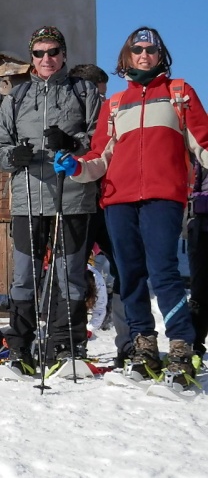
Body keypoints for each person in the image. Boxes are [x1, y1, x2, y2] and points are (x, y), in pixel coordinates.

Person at [56, 27, 208, 386]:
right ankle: (142, 344)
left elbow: (202, 143)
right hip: (118, 200)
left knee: (164, 272)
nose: (144, 55)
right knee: (130, 275)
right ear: (125, 57)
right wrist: (77, 166)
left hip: (163, 197)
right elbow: (100, 158)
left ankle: (182, 344)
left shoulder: (179, 94)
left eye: (151, 50)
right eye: (136, 50)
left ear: (160, 57)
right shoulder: (114, 104)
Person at [0, 26, 102, 374]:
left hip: (72, 198)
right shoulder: (17, 96)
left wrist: (72, 143)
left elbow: (100, 137)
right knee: (24, 277)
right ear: (32, 59)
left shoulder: (83, 91)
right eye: (39, 54)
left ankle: (66, 347)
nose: (46, 59)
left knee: (69, 275)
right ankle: (20, 349)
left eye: (53, 52)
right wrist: (14, 157)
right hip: (28, 198)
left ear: (64, 55)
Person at [70, 63, 128, 365]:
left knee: (124, 271)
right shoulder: (71, 113)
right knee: (73, 273)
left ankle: (128, 343)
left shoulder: (110, 116)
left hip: (109, 203)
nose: (102, 100)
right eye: (98, 93)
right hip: (79, 204)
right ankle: (72, 343)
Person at [187, 161, 208, 359]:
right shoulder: (200, 147)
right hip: (201, 226)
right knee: (199, 289)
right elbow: (191, 187)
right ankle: (195, 342)